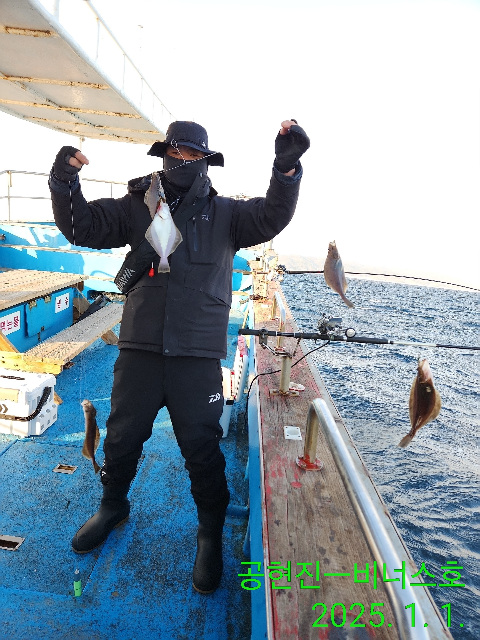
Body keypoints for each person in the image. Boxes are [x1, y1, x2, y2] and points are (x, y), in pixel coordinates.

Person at [49, 120, 309, 593]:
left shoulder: (229, 215)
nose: (183, 162)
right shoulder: (136, 206)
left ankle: (209, 532)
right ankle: (112, 505)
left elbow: (272, 215)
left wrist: (286, 169)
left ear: (206, 162)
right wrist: (64, 180)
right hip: (140, 350)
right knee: (121, 438)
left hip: (197, 357)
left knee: (202, 450)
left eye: (193, 156)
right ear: (164, 154)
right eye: (177, 153)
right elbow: (81, 226)